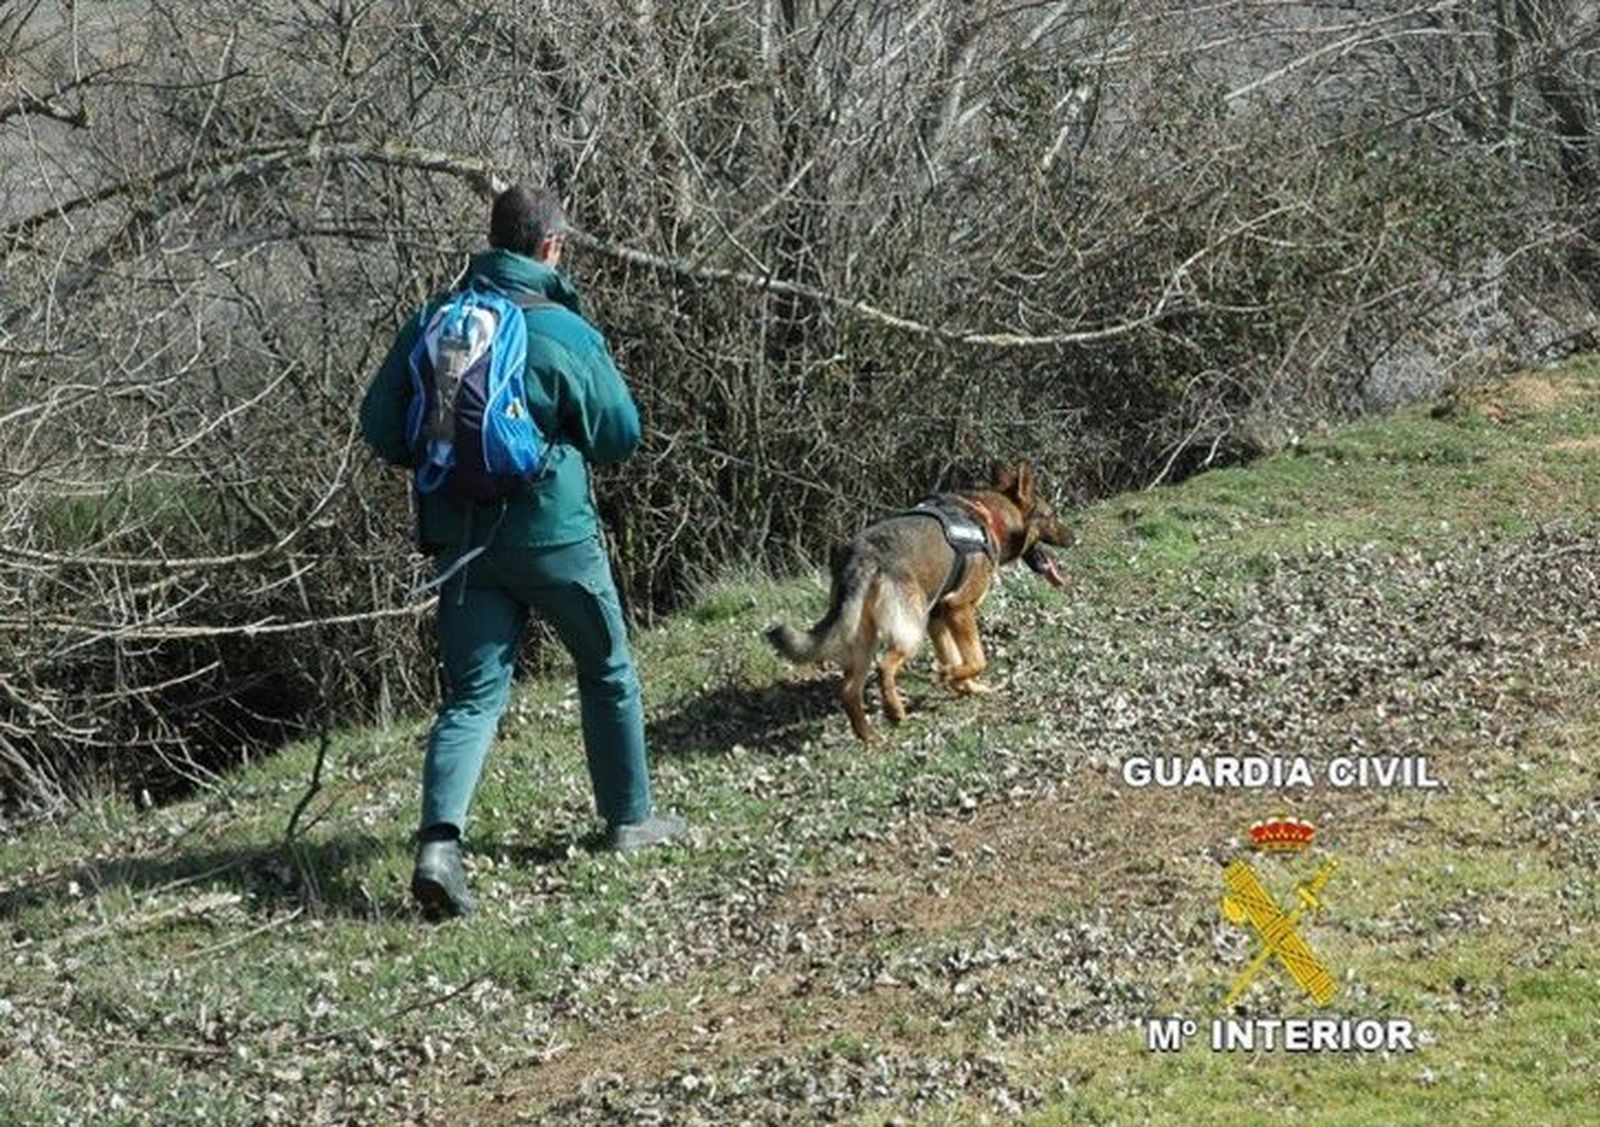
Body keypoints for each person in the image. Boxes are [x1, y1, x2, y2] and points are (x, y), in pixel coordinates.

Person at [359, 185, 685, 919]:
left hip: (464, 542)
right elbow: (621, 435)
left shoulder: (433, 321)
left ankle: (440, 847)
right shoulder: (563, 330)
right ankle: (630, 818)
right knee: (606, 667)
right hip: (554, 537)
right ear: (550, 247)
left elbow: (381, 429)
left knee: (472, 698)